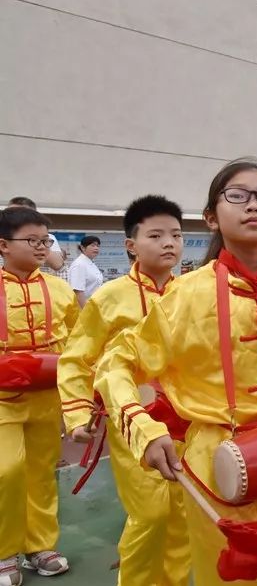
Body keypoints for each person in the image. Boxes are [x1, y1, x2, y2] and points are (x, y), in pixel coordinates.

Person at [95, 159, 257, 586]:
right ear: (213, 216)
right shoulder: (186, 297)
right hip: (219, 457)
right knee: (233, 576)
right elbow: (116, 361)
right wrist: (142, 425)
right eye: (238, 195)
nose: (254, 205)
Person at [57, 195, 190, 586]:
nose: (169, 243)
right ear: (131, 245)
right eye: (156, 235)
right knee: (150, 514)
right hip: (134, 420)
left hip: (191, 419)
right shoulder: (108, 297)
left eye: (176, 234)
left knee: (183, 513)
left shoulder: (192, 293)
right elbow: (76, 358)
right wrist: (79, 412)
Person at [0, 207, 79, 584]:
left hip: (47, 398)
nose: (41, 247)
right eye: (32, 240)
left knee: (42, 474)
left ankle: (39, 546)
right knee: (6, 472)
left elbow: (81, 344)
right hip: (1, 402)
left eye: (45, 241)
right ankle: (4, 552)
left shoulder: (61, 290)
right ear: (3, 245)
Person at [5, 198, 64, 272]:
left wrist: (38, 240)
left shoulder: (47, 237)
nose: (11, 217)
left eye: (19, 213)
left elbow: (57, 264)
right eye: (9, 212)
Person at [67, 235, 103, 307]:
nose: (96, 248)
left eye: (98, 246)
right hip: (83, 309)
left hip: (93, 307)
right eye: (93, 245)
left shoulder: (90, 263)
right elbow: (78, 292)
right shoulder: (79, 264)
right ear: (83, 248)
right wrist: (86, 312)